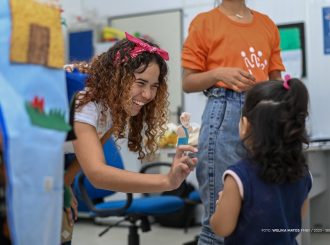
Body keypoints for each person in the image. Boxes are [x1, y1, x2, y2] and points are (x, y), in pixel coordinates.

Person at [63, 32, 198, 244]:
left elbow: (87, 150)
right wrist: (166, 180)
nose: (147, 95)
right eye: (141, 83)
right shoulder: (87, 102)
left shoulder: (112, 107)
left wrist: (64, 184)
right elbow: (96, 173)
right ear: (118, 76)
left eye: (154, 86)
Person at [181, 0, 285, 243]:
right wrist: (219, 73)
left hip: (263, 113)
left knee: (262, 214)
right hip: (224, 111)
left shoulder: (267, 24)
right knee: (219, 223)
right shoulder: (204, 22)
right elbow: (188, 82)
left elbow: (276, 81)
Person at [210, 78, 312, 244]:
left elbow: (221, 228)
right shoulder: (303, 173)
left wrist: (221, 205)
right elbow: (297, 221)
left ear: (245, 125)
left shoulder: (238, 177)